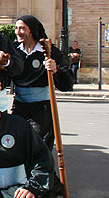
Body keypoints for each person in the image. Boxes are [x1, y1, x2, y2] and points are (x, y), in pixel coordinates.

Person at [12, 16, 73, 150]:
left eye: (22, 28)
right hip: (19, 105)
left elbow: (67, 84)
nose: (17, 32)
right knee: (17, 143)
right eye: (16, 28)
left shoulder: (49, 51)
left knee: (38, 145)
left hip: (42, 109)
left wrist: (55, 70)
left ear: (32, 30)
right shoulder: (14, 50)